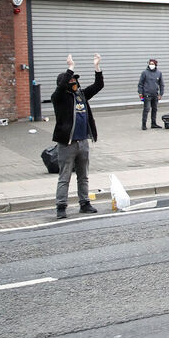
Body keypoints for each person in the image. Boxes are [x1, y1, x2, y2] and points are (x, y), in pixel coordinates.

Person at [51, 53, 104, 219]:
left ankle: (85, 203)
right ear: (65, 83)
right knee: (64, 177)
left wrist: (97, 67)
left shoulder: (81, 95)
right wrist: (70, 68)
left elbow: (98, 85)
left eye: (75, 80)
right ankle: (61, 206)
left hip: (82, 142)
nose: (74, 83)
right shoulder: (58, 98)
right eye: (71, 81)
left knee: (83, 176)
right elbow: (60, 88)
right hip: (67, 144)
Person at [137, 58, 164, 129]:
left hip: (155, 94)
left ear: (155, 65)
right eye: (150, 64)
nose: (151, 65)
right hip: (147, 94)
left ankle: (153, 123)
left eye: (152, 64)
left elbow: (161, 84)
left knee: (154, 109)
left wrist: (161, 94)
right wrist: (140, 93)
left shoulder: (159, 73)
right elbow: (140, 84)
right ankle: (144, 124)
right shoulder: (144, 73)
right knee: (147, 109)